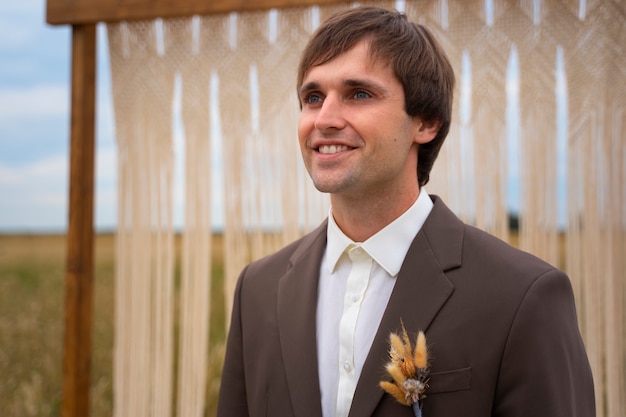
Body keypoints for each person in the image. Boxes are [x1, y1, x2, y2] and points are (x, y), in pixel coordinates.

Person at [217, 6, 595, 417]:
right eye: (313, 98)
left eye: (358, 94)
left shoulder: (524, 296)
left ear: (426, 121)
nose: (323, 119)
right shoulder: (258, 289)